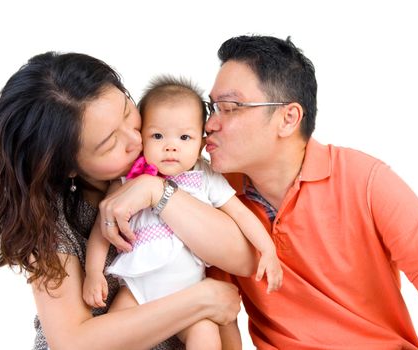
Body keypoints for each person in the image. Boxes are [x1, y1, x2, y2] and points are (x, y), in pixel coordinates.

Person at [0, 51, 258, 350]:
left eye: (126, 111)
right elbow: (74, 344)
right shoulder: (50, 219)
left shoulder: (176, 160)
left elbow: (242, 257)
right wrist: (201, 301)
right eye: (110, 143)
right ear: (67, 166)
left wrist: (157, 191)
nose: (136, 140)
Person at [205, 35, 418, 350]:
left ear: (288, 119)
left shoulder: (364, 180)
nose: (210, 124)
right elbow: (219, 315)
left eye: (229, 107)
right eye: (211, 107)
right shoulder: (215, 197)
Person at [82, 76, 283, 349]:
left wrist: (268, 249)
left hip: (190, 290)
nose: (170, 146)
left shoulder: (205, 177)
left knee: (206, 334)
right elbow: (102, 229)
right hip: (139, 289)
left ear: (201, 143)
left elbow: (241, 213)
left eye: (184, 137)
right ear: (141, 138)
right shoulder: (128, 180)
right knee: (115, 337)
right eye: (157, 136)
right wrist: (94, 273)